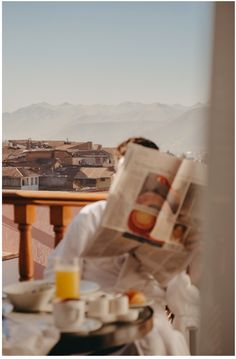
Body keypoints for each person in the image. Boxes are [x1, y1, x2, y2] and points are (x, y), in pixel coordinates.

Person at [44, 137, 196, 355]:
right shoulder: (92, 215)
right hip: (96, 314)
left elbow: (179, 296)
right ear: (117, 177)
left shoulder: (167, 225)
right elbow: (59, 271)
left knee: (156, 339)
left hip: (147, 317)